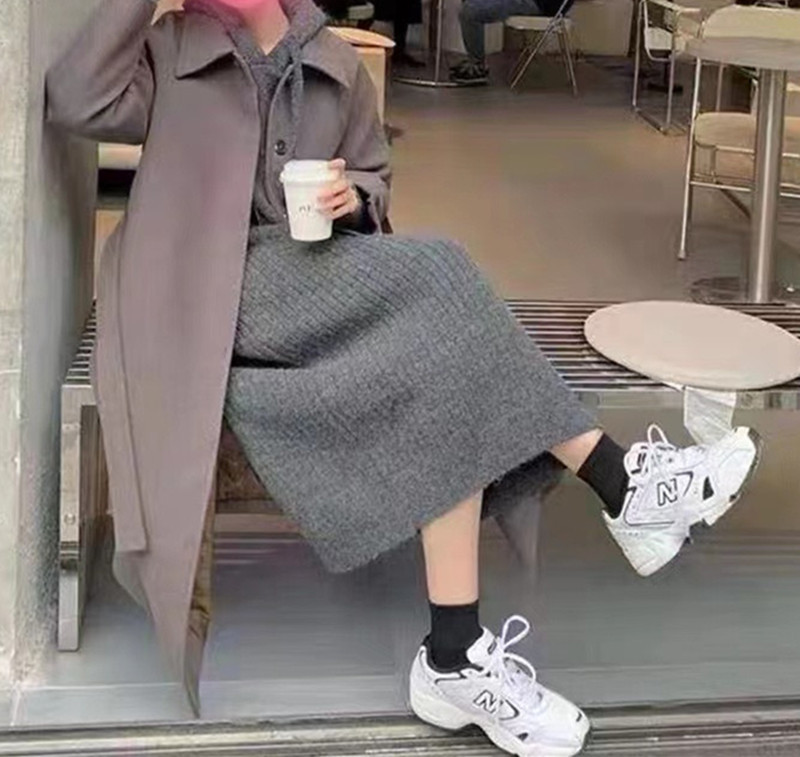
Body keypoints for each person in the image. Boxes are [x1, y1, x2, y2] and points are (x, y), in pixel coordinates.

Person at [46, 0, 761, 755]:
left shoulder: (334, 62)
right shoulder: (172, 48)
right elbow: (77, 100)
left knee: (444, 364)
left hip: (312, 284)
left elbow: (373, 177)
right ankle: (623, 483)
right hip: (198, 292)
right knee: (441, 272)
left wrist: (353, 198)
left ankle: (454, 653)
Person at [451, 0, 575, 84]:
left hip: (539, 4)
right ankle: (475, 61)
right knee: (470, 5)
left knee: (470, 11)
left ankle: (477, 65)